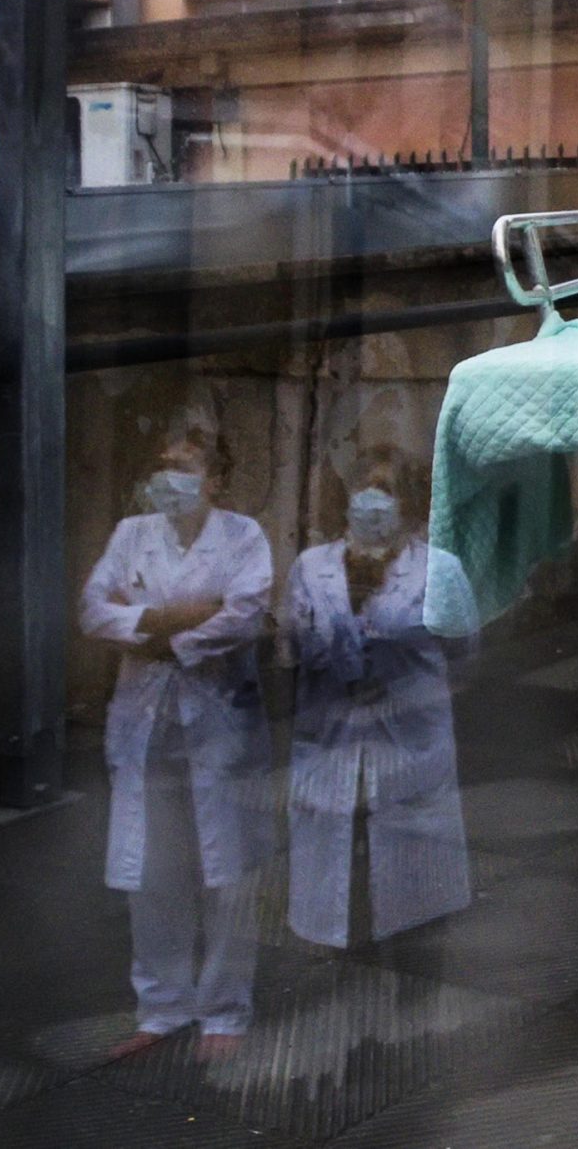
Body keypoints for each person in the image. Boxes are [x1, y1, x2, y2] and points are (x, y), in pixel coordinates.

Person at [78, 423, 273, 1061]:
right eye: (162, 466)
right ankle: (161, 1007)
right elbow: (91, 612)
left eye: (184, 467)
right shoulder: (132, 534)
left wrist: (149, 633)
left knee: (226, 870)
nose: (169, 479)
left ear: (215, 481)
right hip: (145, 724)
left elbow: (243, 616)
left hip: (218, 721)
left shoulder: (243, 537)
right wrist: (181, 618)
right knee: (152, 868)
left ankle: (224, 1011)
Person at [282, 446, 472, 949]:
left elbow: (465, 648)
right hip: (331, 737)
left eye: (384, 490)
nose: (371, 500)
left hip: (410, 743)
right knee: (337, 881)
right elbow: (295, 643)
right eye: (363, 487)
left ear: (407, 501)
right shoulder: (310, 567)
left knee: (415, 902)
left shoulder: (441, 570)